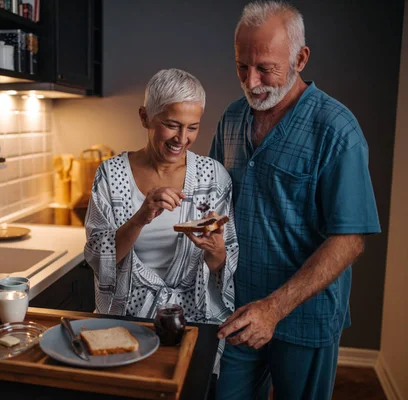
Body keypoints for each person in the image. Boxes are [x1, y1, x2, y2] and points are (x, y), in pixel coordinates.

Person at [209, 1, 381, 399]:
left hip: (305, 317)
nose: (252, 82)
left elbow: (350, 239)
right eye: (241, 66)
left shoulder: (337, 130)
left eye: (265, 68)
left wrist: (273, 308)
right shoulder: (233, 118)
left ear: (300, 58)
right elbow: (212, 199)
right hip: (237, 310)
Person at [84, 68, 239, 372]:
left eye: (192, 127)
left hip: (196, 323)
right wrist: (140, 217)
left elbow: (226, 261)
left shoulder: (214, 177)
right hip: (129, 323)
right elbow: (96, 255)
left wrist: (216, 251)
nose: (182, 139)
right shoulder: (111, 175)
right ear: (145, 118)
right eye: (171, 125)